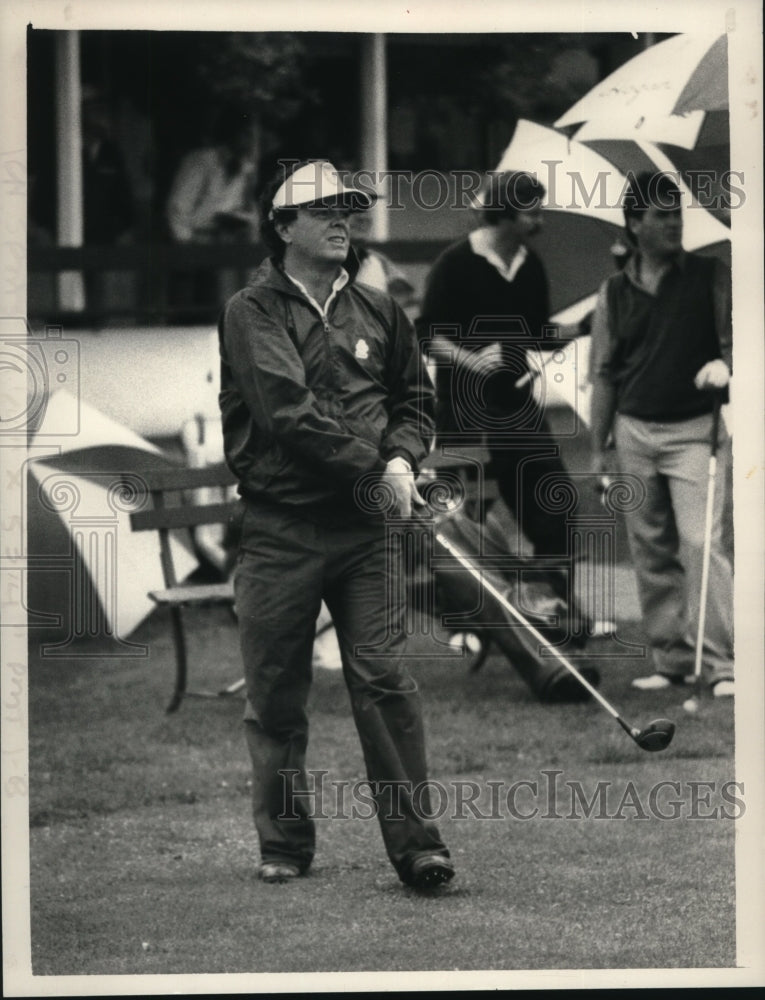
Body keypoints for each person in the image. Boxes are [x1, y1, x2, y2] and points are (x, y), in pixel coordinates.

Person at [218, 159, 454, 888]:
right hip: (280, 529)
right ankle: (285, 844)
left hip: (364, 531)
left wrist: (404, 460)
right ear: (282, 226)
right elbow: (287, 412)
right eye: (322, 211)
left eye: (349, 210)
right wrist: (375, 467)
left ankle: (417, 845)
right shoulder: (253, 309)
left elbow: (415, 401)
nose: (341, 222)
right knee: (277, 691)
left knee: (383, 681)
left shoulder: (380, 309)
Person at [588, 171, 734, 697]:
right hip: (633, 431)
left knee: (701, 544)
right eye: (662, 215)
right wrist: (597, 449)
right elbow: (603, 373)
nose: (674, 223)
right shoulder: (612, 290)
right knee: (650, 549)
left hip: (697, 426)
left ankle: (720, 664)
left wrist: (727, 367)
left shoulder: (711, 275)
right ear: (634, 224)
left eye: (677, 213)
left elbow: (736, 341)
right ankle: (671, 660)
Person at [416, 171, 579, 606]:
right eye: (533, 209)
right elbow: (427, 335)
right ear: (506, 212)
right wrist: (473, 360)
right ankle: (465, 614)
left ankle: (550, 604)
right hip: (462, 411)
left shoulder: (531, 264)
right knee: (464, 516)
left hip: (516, 406)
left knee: (554, 501)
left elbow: (538, 332)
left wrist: (584, 326)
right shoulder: (456, 263)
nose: (540, 218)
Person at [166, 109, 262, 315]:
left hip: (222, 244)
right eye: (246, 135)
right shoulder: (203, 161)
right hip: (193, 244)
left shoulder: (245, 167)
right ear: (232, 135)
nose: (250, 143)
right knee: (188, 311)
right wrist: (185, 244)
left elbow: (242, 206)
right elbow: (178, 206)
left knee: (217, 308)